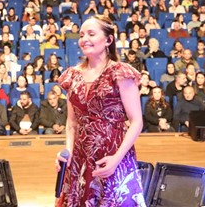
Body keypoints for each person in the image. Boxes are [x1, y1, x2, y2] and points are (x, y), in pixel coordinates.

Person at [55, 14, 145, 207]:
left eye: (91, 33)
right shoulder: (72, 76)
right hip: (80, 160)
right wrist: (68, 152)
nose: (84, 39)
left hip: (113, 156)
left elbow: (136, 121)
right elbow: (71, 123)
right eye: (81, 34)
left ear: (108, 40)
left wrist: (116, 159)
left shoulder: (120, 72)